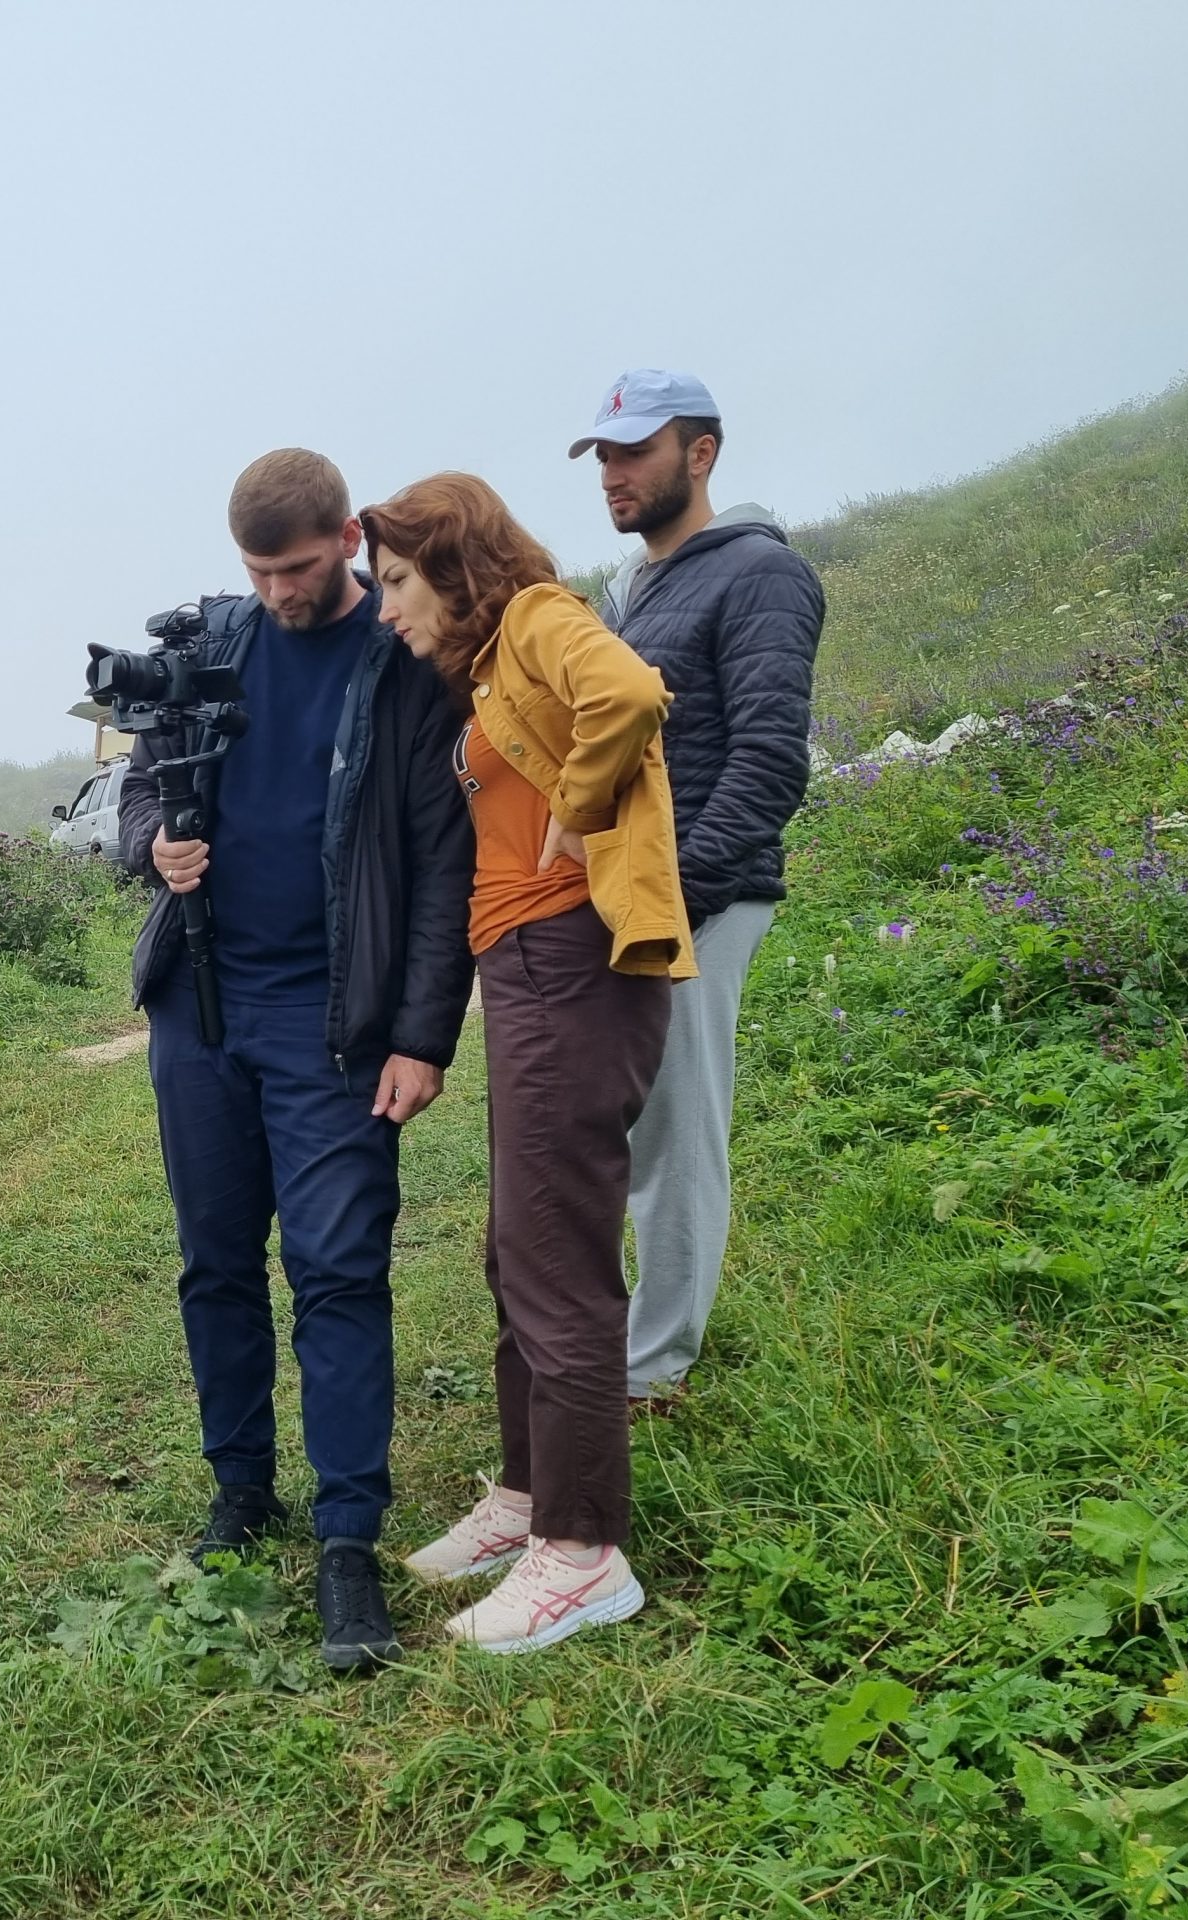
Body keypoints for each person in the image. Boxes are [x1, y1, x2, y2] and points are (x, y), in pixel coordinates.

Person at [120, 448, 475, 1672]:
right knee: (214, 1263)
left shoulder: (402, 661)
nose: (278, 593)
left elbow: (443, 862)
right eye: (258, 572)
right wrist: (154, 845)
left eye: (299, 566)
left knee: (335, 1271)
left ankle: (345, 1546)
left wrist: (424, 1033)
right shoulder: (213, 645)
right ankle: (239, 1492)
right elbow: (138, 788)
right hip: (201, 1010)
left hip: (335, 1023)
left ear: (348, 538)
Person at [361, 471, 693, 1653]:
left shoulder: (540, 617)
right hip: (525, 964)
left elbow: (631, 692)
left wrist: (580, 799)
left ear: (453, 563)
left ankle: (583, 1550)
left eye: (396, 581)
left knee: (557, 1253)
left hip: (573, 955)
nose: (386, 606)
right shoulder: (486, 663)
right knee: (519, 1242)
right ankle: (525, 1493)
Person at [572, 371, 827, 1407]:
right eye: (602, 456)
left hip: (701, 897)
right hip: (635, 894)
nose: (613, 474)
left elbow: (769, 759)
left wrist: (678, 893)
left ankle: (655, 1363)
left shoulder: (759, 574)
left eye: (635, 451)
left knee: (678, 1122)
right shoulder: (631, 592)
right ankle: (633, 1335)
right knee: (632, 1120)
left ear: (702, 452)